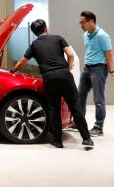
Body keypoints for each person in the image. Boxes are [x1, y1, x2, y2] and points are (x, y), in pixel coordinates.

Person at [10, 19, 93, 148]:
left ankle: (57, 141)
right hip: (65, 75)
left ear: (34, 32)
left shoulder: (34, 45)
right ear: (46, 28)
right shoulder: (58, 38)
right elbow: (70, 55)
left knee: (54, 109)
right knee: (75, 106)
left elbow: (22, 62)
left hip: (49, 78)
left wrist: (12, 71)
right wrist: (68, 67)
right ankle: (87, 139)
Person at [76, 11, 114, 136]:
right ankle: (79, 122)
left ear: (91, 22)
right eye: (80, 22)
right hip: (87, 68)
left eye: (83, 22)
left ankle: (99, 127)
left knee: (98, 99)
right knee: (80, 95)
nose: (81, 25)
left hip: (99, 69)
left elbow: (109, 54)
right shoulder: (85, 35)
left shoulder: (102, 36)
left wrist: (112, 70)